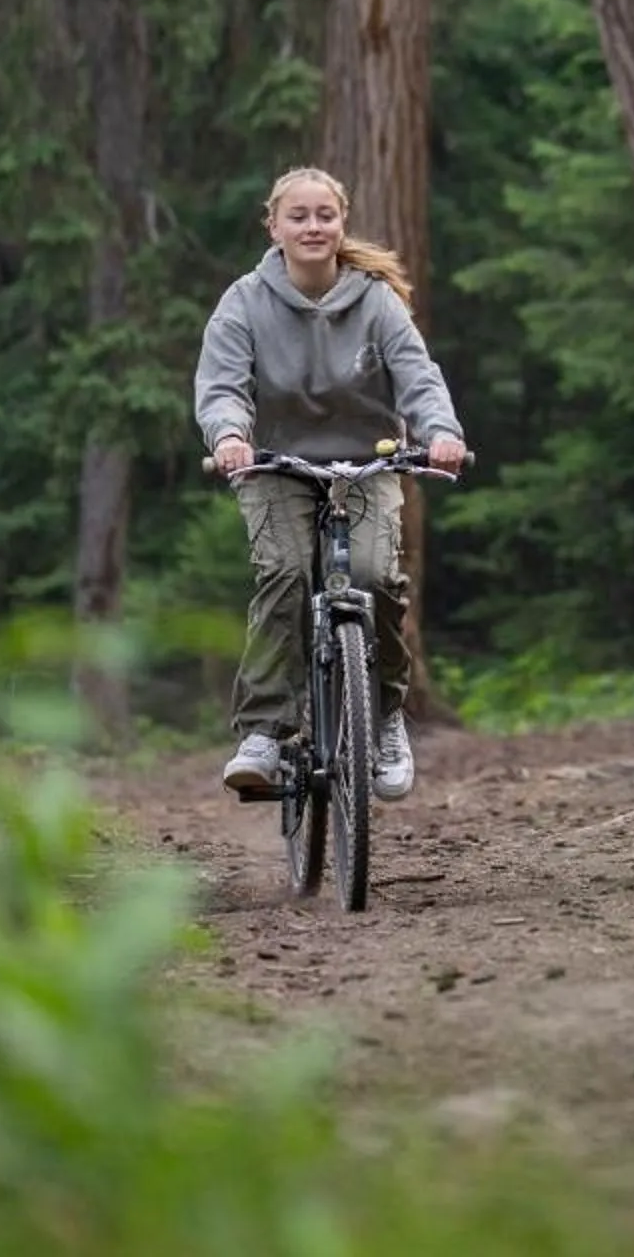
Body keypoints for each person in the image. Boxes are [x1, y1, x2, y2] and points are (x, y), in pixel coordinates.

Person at [195, 166, 468, 804]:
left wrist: (441, 432)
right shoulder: (244, 302)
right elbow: (223, 387)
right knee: (287, 572)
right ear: (275, 226)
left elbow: (418, 377)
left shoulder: (375, 301)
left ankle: (385, 721)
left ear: (340, 222)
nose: (313, 226)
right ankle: (264, 730)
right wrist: (230, 437)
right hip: (274, 465)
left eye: (325, 215)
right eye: (299, 216)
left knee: (374, 578)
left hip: (368, 464)